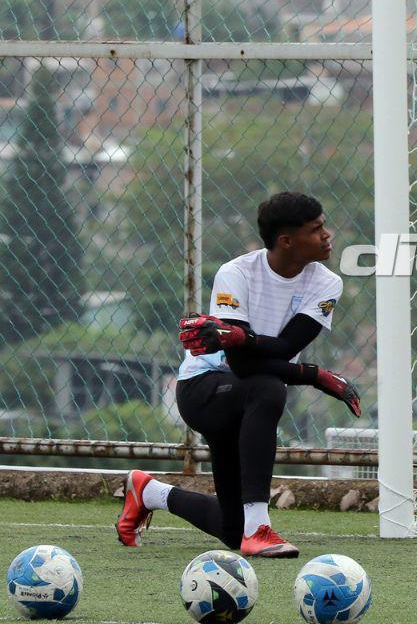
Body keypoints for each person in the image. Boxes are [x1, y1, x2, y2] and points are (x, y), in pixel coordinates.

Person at [116, 192, 361, 558]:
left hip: (246, 395)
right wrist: (314, 375)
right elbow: (243, 365)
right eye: (317, 229)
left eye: (324, 225)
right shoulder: (235, 273)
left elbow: (282, 347)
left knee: (232, 530)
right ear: (286, 241)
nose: (327, 235)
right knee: (268, 388)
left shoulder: (327, 283)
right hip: (204, 391)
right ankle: (260, 529)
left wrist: (247, 339)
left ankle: (148, 492)